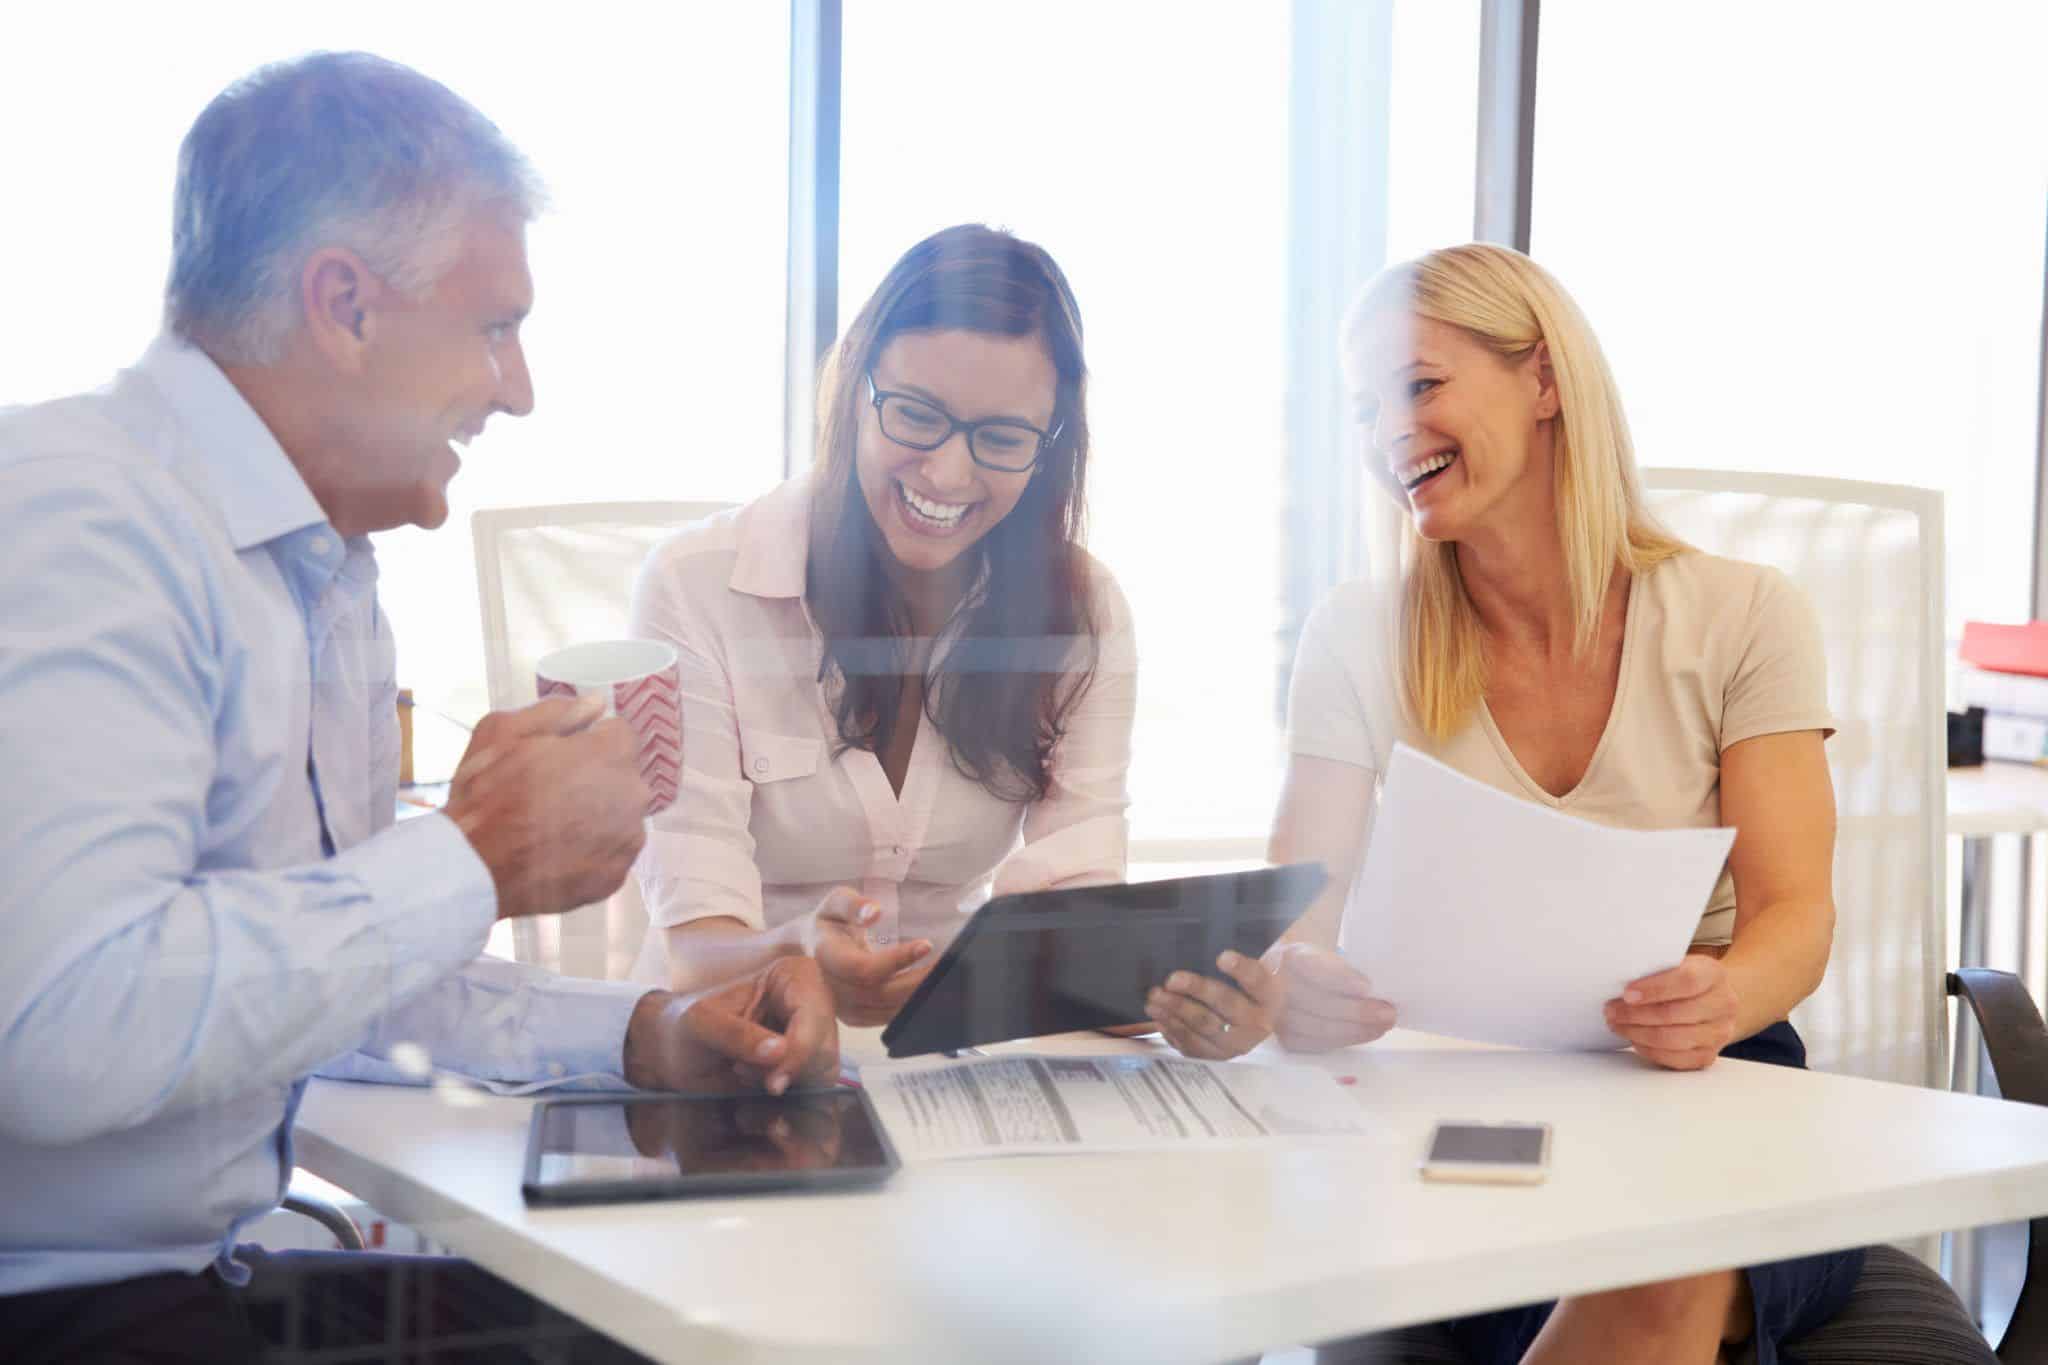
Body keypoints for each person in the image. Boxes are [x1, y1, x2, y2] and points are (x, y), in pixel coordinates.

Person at [0, 52, 836, 1364]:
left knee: (693, 1320)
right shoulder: (80, 515)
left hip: (194, 1272)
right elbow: (60, 1029)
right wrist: (468, 855)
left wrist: (644, 1029)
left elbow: (329, 983)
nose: (519, 389)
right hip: (59, 1303)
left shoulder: (325, 577)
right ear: (344, 306)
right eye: (496, 325)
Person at [1148, 243, 1864, 1363]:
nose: (1387, 430)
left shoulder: (1745, 615)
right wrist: (1298, 986)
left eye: (1418, 385)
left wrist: (1718, 998)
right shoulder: (1357, 633)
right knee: (1563, 1266)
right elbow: (1298, 919)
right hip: (1454, 1100)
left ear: (1540, 382)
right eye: (1362, 407)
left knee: (1659, 1263)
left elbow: (1793, 917)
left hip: (1712, 1083)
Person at [626, 224, 1136, 1024]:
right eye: (915, 415)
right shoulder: (695, 586)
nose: (946, 471)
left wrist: (1184, 997)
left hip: (953, 1056)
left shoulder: (1081, 612)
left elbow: (1081, 907)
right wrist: (799, 952)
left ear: (1050, 447)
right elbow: (694, 946)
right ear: (854, 388)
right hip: (735, 1042)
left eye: (1000, 437)